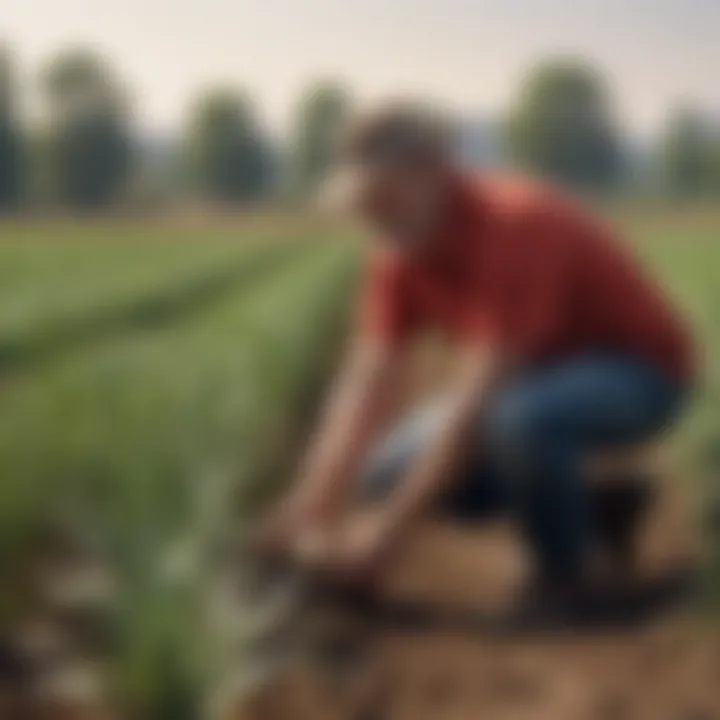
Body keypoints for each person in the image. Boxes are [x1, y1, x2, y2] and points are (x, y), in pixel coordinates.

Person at [259, 103, 694, 607]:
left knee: (515, 421)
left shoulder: (515, 223)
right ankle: (592, 504)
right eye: (365, 201)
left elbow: (476, 403)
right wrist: (306, 507)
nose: (373, 213)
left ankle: (569, 576)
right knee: (385, 473)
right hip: (538, 379)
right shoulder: (398, 251)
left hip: (638, 375)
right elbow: (366, 381)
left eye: (385, 195)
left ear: (434, 171)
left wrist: (385, 540)